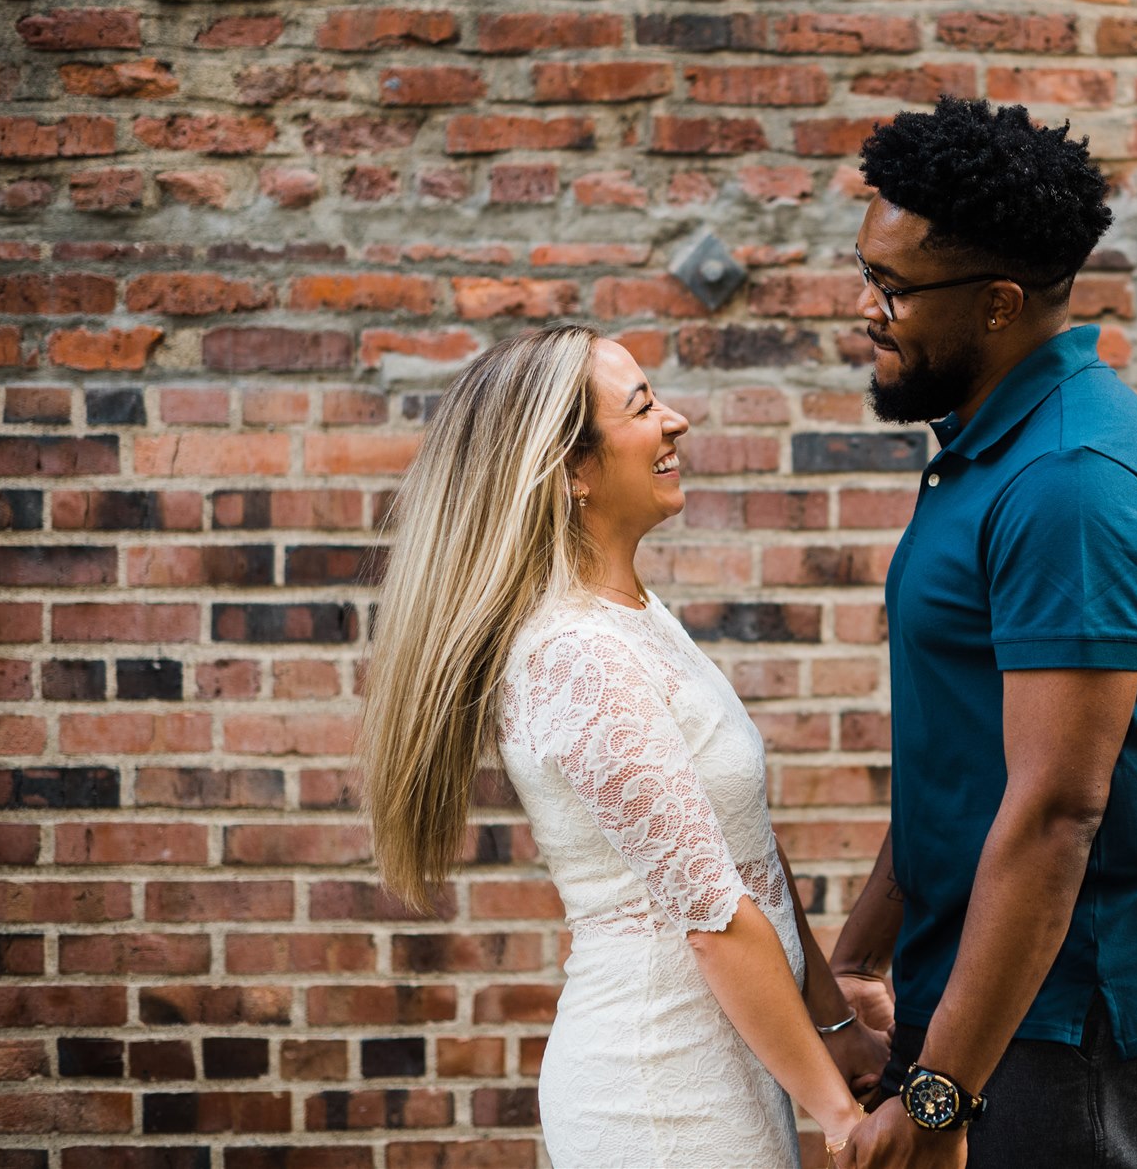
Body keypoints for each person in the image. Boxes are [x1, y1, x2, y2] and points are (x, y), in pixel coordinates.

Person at [831, 97, 1137, 1169]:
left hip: (1062, 1015)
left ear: (999, 303)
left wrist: (937, 1100)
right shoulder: (990, 446)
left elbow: (1058, 808)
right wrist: (863, 958)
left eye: (892, 288)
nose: (863, 309)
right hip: (989, 991)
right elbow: (965, 754)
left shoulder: (1066, 483)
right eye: (864, 272)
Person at [355, 326, 887, 1168]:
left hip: (736, 1060)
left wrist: (834, 1027)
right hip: (660, 1093)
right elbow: (712, 917)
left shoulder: (636, 616)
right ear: (574, 469)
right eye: (641, 407)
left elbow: (742, 848)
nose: (674, 420)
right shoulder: (579, 655)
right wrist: (838, 1115)